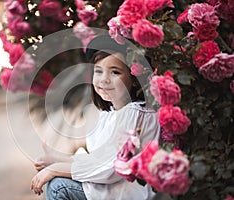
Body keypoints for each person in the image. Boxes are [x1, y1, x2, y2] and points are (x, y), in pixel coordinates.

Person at [30, 34, 160, 200]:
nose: (104, 79)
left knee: (58, 186)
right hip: (110, 190)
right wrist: (57, 160)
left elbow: (109, 168)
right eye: (98, 71)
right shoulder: (111, 113)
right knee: (56, 182)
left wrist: (55, 169)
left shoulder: (135, 113)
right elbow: (97, 159)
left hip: (124, 194)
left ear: (134, 79)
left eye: (115, 72)